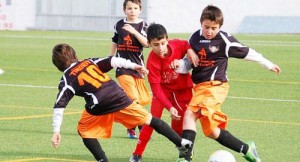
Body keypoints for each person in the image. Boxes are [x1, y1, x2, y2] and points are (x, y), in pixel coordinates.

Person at [50, 43, 192, 162]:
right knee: (151, 120)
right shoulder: (88, 62)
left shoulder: (67, 79)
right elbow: (114, 60)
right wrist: (134, 66)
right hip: (119, 97)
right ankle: (180, 142)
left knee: (85, 131)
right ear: (75, 55)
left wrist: (56, 130)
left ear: (58, 65)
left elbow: (59, 106)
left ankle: (103, 160)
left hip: (99, 105)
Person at [175, 5, 281, 162]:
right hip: (199, 88)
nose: (210, 31)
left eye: (214, 28)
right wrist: (180, 66)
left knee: (189, 115)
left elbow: (247, 52)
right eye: (206, 27)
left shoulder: (225, 40)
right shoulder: (194, 38)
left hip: (215, 86)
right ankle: (247, 149)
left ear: (220, 26)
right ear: (200, 23)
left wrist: (268, 64)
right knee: (211, 131)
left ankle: (185, 157)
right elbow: (189, 64)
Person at [129, 23, 199, 162]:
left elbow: (185, 44)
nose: (160, 48)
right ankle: (137, 154)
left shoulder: (177, 44)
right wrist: (169, 107)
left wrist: (190, 50)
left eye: (162, 43)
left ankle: (183, 153)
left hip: (182, 91)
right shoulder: (152, 62)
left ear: (167, 39)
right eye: (155, 44)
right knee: (151, 122)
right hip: (163, 92)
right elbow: (156, 90)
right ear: (148, 43)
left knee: (180, 122)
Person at [109, 0, 151, 139]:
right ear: (124, 10)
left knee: (139, 99)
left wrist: (134, 31)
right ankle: (141, 127)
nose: (132, 11)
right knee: (133, 97)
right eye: (129, 8)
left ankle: (130, 126)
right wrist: (109, 59)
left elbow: (147, 44)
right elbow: (114, 41)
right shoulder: (119, 24)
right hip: (122, 67)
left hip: (138, 67)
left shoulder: (144, 25)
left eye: (135, 8)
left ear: (140, 10)